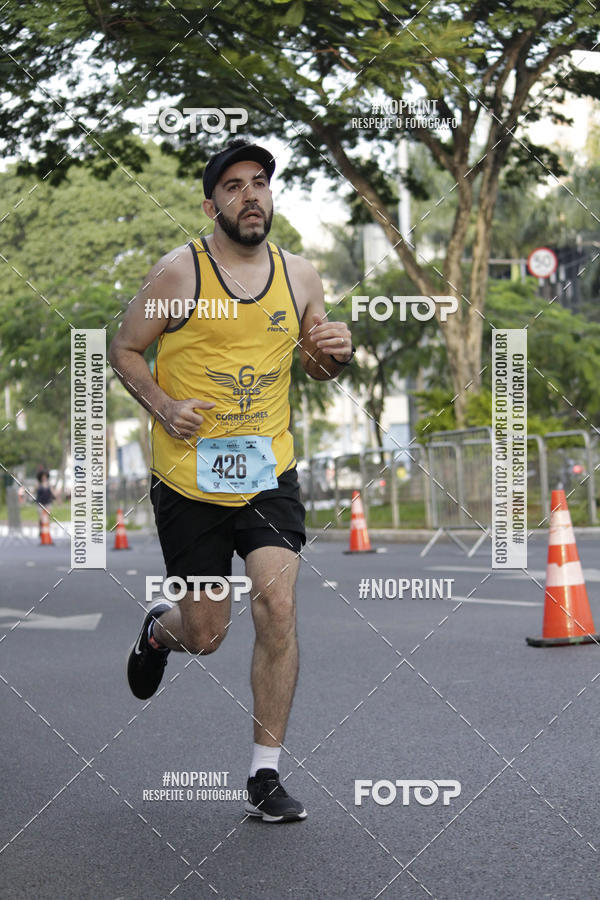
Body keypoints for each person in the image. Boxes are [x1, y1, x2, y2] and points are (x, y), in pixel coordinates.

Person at [109, 138, 354, 823]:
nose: (251, 195)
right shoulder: (178, 274)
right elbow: (123, 347)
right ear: (211, 203)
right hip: (189, 478)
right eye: (235, 186)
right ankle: (161, 631)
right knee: (208, 631)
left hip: (267, 468)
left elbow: (313, 363)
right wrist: (164, 404)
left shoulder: (300, 275)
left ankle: (265, 775)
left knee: (278, 605)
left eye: (261, 183)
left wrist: (334, 354)